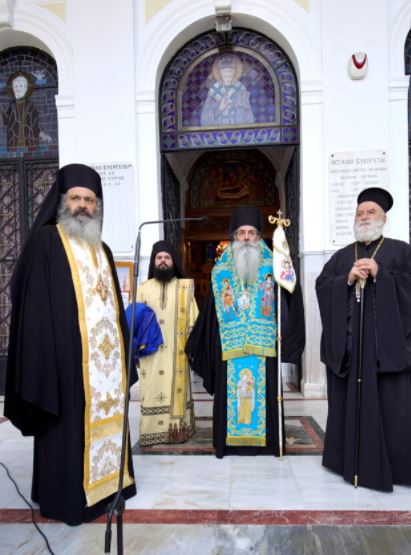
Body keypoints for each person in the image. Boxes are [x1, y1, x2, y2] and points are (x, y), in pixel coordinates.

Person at [4, 164, 136, 525]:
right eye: (76, 198)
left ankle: (109, 489)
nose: (82, 206)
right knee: (66, 429)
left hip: (105, 369)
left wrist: (125, 356)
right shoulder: (46, 241)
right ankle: (67, 499)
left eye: (89, 200)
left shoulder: (103, 249)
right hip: (63, 365)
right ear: (63, 202)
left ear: (97, 206)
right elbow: (31, 304)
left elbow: (115, 308)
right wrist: (46, 359)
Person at [187, 206, 305, 458]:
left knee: (264, 395)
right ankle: (228, 443)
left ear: (259, 236)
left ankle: (269, 442)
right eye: (242, 233)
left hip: (264, 344)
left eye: (252, 233)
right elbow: (211, 314)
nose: (247, 237)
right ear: (234, 236)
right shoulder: (220, 271)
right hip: (229, 345)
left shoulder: (274, 264)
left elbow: (290, 297)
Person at [316, 187, 411, 492]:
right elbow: (322, 285)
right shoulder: (343, 256)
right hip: (351, 349)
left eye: (371, 212)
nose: (364, 217)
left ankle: (395, 466)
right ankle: (345, 460)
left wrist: (382, 274)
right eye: (360, 213)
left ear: (384, 218)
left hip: (387, 350)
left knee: (393, 408)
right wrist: (346, 279)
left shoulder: (401, 251)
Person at [134, 241, 198, 446]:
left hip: (177, 353)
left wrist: (191, 349)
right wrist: (135, 350)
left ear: (174, 261)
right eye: (159, 257)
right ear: (153, 262)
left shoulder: (184, 287)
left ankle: (178, 430)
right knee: (151, 390)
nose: (163, 261)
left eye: (167, 258)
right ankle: (152, 431)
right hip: (150, 354)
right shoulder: (143, 288)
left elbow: (194, 321)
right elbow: (136, 321)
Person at [200, 54, 254, 126]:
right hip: (218, 130)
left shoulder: (240, 88)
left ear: (234, 72)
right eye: (225, 71)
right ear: (220, 73)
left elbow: (248, 115)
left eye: (230, 71)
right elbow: (205, 119)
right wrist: (220, 109)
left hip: (238, 130)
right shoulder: (214, 90)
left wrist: (237, 109)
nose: (228, 74)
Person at [2, 71, 39, 148]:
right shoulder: (11, 105)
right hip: (13, 139)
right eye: (15, 86)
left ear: (26, 88)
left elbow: (36, 124)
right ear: (12, 88)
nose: (18, 89)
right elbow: (6, 121)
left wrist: (41, 134)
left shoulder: (31, 105)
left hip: (29, 138)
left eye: (21, 86)